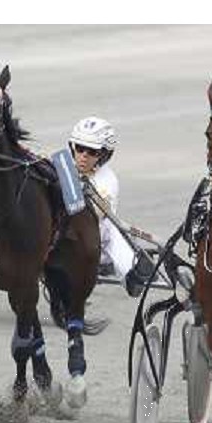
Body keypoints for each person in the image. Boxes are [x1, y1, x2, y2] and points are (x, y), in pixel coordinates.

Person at [67, 116, 152, 297]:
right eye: (79, 148)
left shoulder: (108, 180)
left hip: (95, 240)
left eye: (91, 151)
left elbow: (93, 215)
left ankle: (133, 272)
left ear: (104, 154)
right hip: (63, 233)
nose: (83, 156)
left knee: (114, 229)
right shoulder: (63, 167)